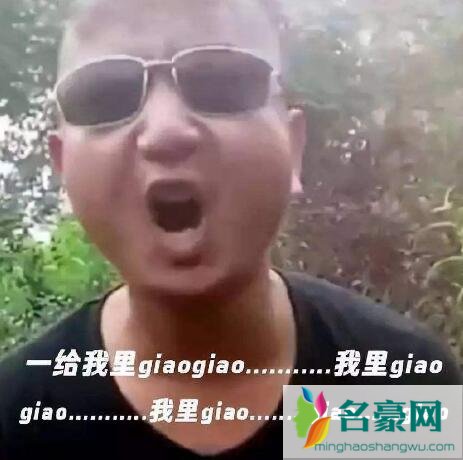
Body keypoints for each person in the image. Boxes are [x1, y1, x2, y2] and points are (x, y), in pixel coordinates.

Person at [0, 0, 461, 458]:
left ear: (292, 148)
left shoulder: (398, 392)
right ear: (63, 166)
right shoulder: (19, 421)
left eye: (222, 83)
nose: (166, 132)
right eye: (104, 97)